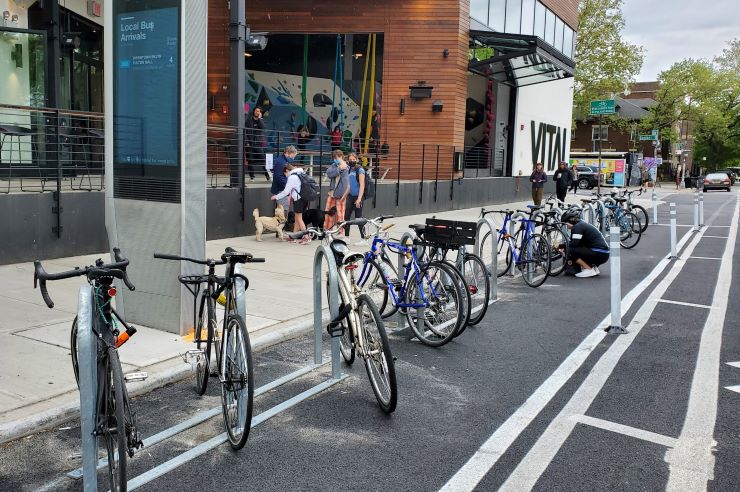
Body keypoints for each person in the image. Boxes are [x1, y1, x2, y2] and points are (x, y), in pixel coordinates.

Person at [560, 209, 610, 278]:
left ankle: (589, 269)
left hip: (598, 253)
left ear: (571, 220)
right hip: (603, 253)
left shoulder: (578, 227)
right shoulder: (581, 224)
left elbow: (574, 244)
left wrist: (561, 246)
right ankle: (593, 268)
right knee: (572, 248)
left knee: (570, 249)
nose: (566, 226)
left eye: (566, 223)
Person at [271, 163, 309, 244]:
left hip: (298, 199)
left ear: (287, 170)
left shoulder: (292, 177)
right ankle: (293, 237)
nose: (286, 175)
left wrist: (276, 196)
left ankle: (306, 237)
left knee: (299, 219)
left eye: (285, 173)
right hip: (305, 198)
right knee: (297, 218)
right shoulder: (301, 173)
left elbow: (286, 191)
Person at [324, 150, 349, 230]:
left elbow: (345, 184)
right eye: (334, 158)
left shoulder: (346, 168)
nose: (335, 159)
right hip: (332, 193)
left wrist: (343, 195)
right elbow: (329, 173)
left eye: (336, 157)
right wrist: (338, 170)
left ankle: (340, 231)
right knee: (328, 211)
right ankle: (327, 229)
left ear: (341, 156)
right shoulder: (334, 165)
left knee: (340, 214)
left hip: (340, 194)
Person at [344, 153, 366, 241]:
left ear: (357, 160)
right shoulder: (349, 170)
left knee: (358, 218)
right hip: (350, 196)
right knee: (346, 217)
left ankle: (364, 239)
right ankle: (346, 237)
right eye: (350, 159)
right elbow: (349, 186)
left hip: (358, 196)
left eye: (354, 159)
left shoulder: (360, 170)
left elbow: (362, 185)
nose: (352, 161)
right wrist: (344, 196)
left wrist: (359, 199)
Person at [244, 107, 271, 181]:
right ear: (254, 111)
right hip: (249, 144)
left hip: (258, 144)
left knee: (262, 160)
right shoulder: (249, 120)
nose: (257, 112)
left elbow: (263, 127)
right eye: (256, 111)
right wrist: (247, 142)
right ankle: (252, 177)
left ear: (260, 113)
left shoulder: (261, 121)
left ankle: (268, 176)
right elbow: (245, 131)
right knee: (250, 161)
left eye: (259, 111)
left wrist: (259, 119)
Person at [271, 145, 298, 211]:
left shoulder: (283, 160)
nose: (293, 158)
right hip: (281, 190)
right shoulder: (281, 162)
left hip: (282, 189)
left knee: (282, 211)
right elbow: (279, 177)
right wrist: (289, 185)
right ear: (288, 153)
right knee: (283, 211)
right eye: (293, 156)